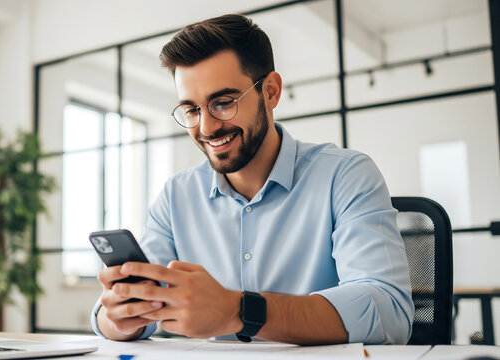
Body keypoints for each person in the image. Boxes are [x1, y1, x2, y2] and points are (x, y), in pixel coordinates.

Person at [90, 14, 414, 345]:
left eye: (223, 103)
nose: (206, 128)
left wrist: (239, 311)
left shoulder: (345, 175)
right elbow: (129, 313)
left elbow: (388, 312)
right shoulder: (177, 195)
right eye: (191, 110)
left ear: (270, 92)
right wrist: (118, 315)